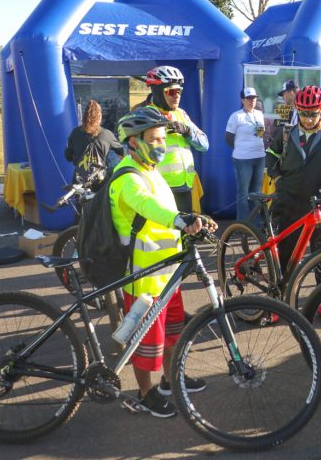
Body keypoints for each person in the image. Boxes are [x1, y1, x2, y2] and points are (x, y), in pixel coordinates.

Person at [111, 107, 217, 418]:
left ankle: (171, 380)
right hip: (143, 279)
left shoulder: (150, 170)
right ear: (133, 143)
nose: (161, 145)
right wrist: (179, 219)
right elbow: (149, 206)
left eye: (162, 139)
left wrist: (190, 219)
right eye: (154, 140)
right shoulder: (128, 178)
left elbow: (162, 210)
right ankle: (144, 393)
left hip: (167, 271)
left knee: (173, 332)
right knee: (145, 343)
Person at [265, 86, 321, 306]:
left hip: (320, 206)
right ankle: (281, 301)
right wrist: (277, 177)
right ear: (297, 111)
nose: (308, 119)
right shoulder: (286, 133)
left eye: (313, 113)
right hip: (289, 201)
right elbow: (271, 155)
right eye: (303, 113)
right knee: (286, 256)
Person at [144, 66, 209, 213]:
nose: (177, 96)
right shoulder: (145, 115)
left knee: (183, 233)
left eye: (179, 91)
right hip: (160, 187)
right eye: (172, 92)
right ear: (158, 92)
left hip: (184, 185)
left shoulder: (181, 114)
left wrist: (187, 131)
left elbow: (204, 145)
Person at [225, 87, 266, 222]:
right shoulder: (236, 116)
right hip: (243, 159)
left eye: (254, 98)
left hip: (259, 156)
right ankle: (243, 224)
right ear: (242, 100)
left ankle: (256, 222)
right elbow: (229, 138)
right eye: (248, 98)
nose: (252, 101)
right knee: (243, 192)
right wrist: (242, 149)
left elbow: (260, 133)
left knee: (256, 191)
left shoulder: (259, 114)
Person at [64, 99, 124, 191]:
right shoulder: (107, 134)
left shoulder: (75, 133)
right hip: (100, 182)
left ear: (84, 116)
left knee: (80, 204)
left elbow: (67, 156)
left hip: (79, 181)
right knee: (100, 205)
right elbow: (122, 151)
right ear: (99, 117)